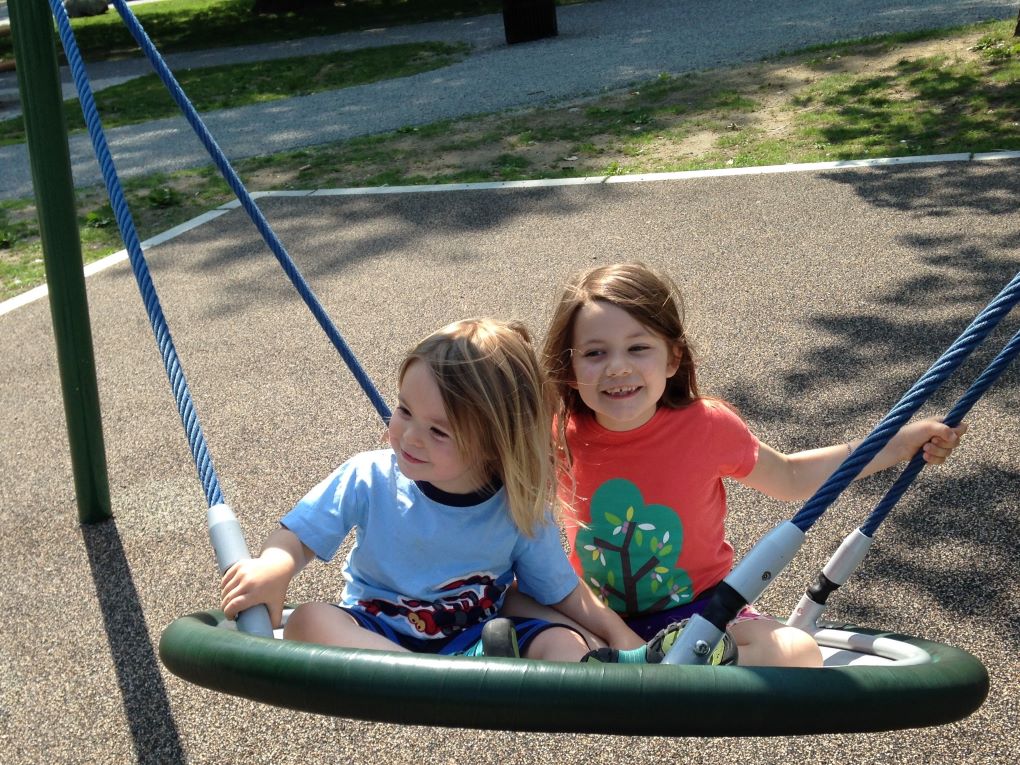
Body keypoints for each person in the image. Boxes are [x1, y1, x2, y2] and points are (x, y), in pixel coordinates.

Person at [502, 262, 967, 667]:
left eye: (638, 348)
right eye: (595, 352)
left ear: (672, 358)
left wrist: (897, 444)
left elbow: (790, 476)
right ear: (569, 367)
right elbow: (482, 477)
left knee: (799, 650)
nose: (617, 367)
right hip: (597, 617)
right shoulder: (555, 431)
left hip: (699, 614)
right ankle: (625, 660)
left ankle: (685, 662)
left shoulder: (706, 426)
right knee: (515, 598)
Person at [219, 318, 648, 662]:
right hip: (376, 628)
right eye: (404, 410)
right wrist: (274, 567)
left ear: (496, 443)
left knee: (565, 643)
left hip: (480, 634)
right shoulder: (370, 475)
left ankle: (584, 668)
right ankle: (440, 677)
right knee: (307, 621)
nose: (409, 437)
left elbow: (561, 591)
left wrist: (616, 631)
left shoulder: (517, 507)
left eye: (438, 431)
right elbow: (299, 535)